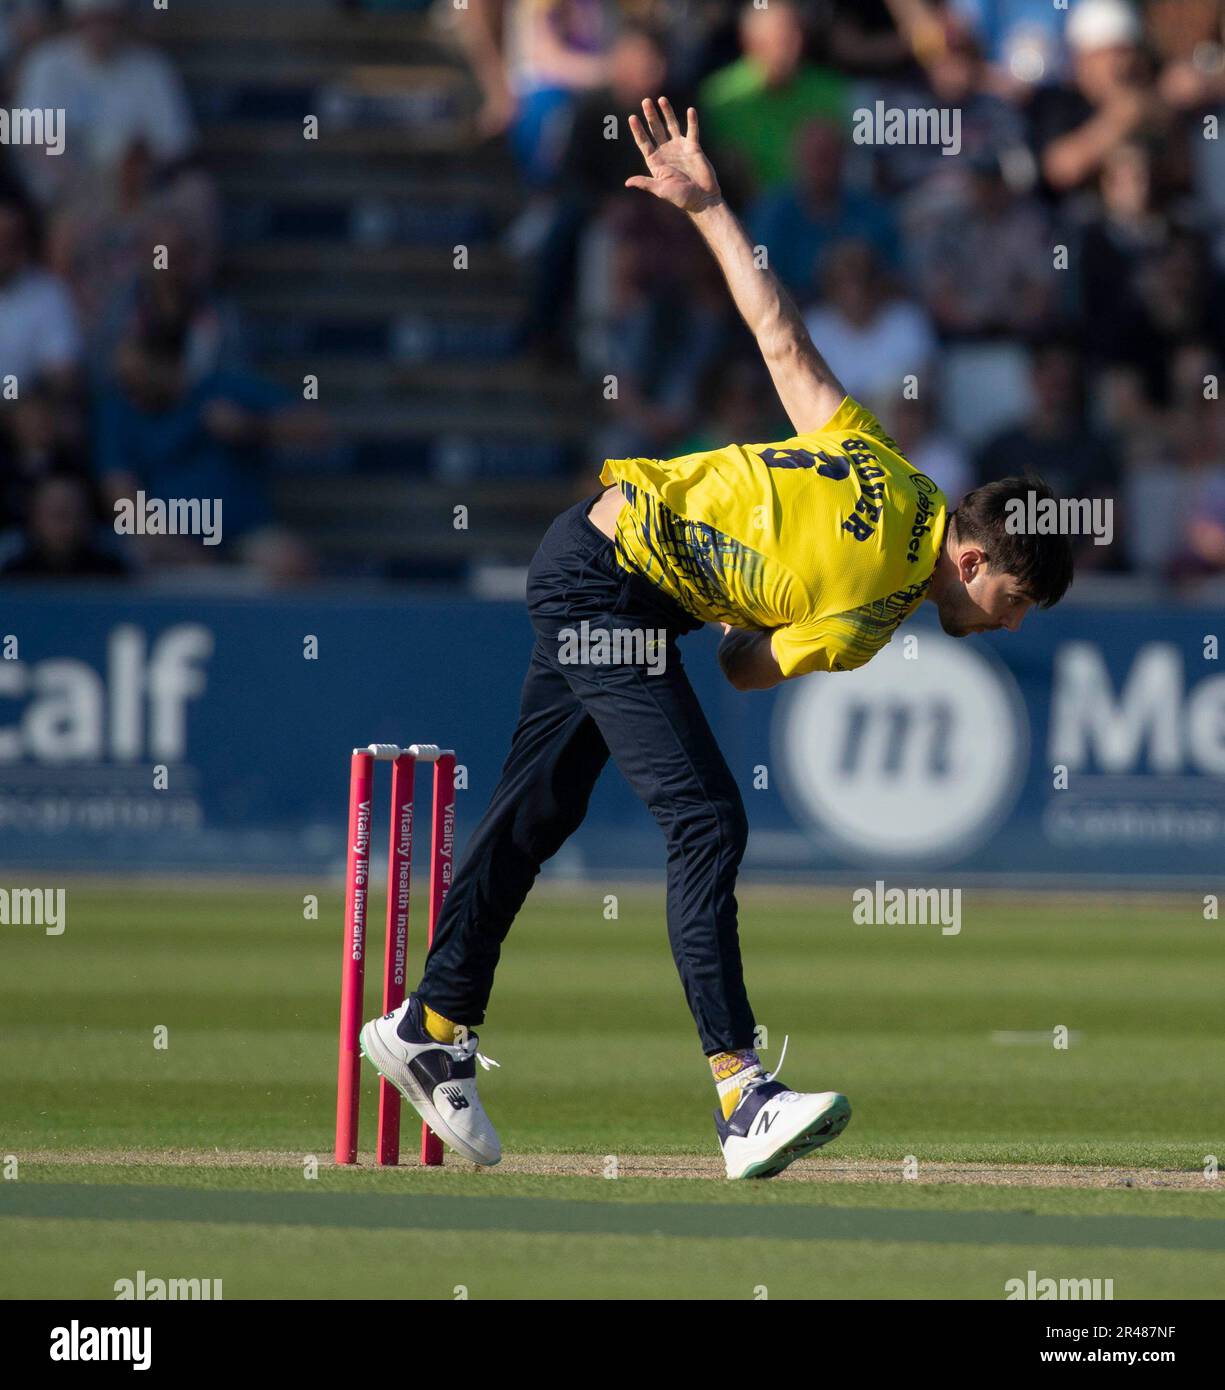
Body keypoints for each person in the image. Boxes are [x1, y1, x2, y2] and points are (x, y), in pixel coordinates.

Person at [359, 98, 1074, 1181]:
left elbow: (775, 328)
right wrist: (766, 608)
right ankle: (741, 1094)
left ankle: (431, 1023)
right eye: (1015, 599)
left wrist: (710, 207)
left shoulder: (885, 460)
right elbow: (742, 663)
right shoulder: (873, 613)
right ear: (972, 563)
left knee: (539, 806)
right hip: (610, 588)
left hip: (598, 562)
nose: (1007, 624)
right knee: (704, 818)